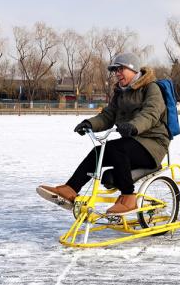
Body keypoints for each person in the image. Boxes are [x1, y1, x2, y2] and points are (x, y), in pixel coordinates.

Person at [38, 53, 170, 215]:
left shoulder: (151, 88)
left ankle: (128, 197)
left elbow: (151, 113)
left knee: (116, 147)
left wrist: (133, 126)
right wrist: (89, 124)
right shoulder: (121, 93)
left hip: (153, 144)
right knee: (98, 152)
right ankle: (70, 189)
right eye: (115, 70)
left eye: (121, 69)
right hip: (132, 143)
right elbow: (108, 116)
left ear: (133, 69)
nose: (117, 73)